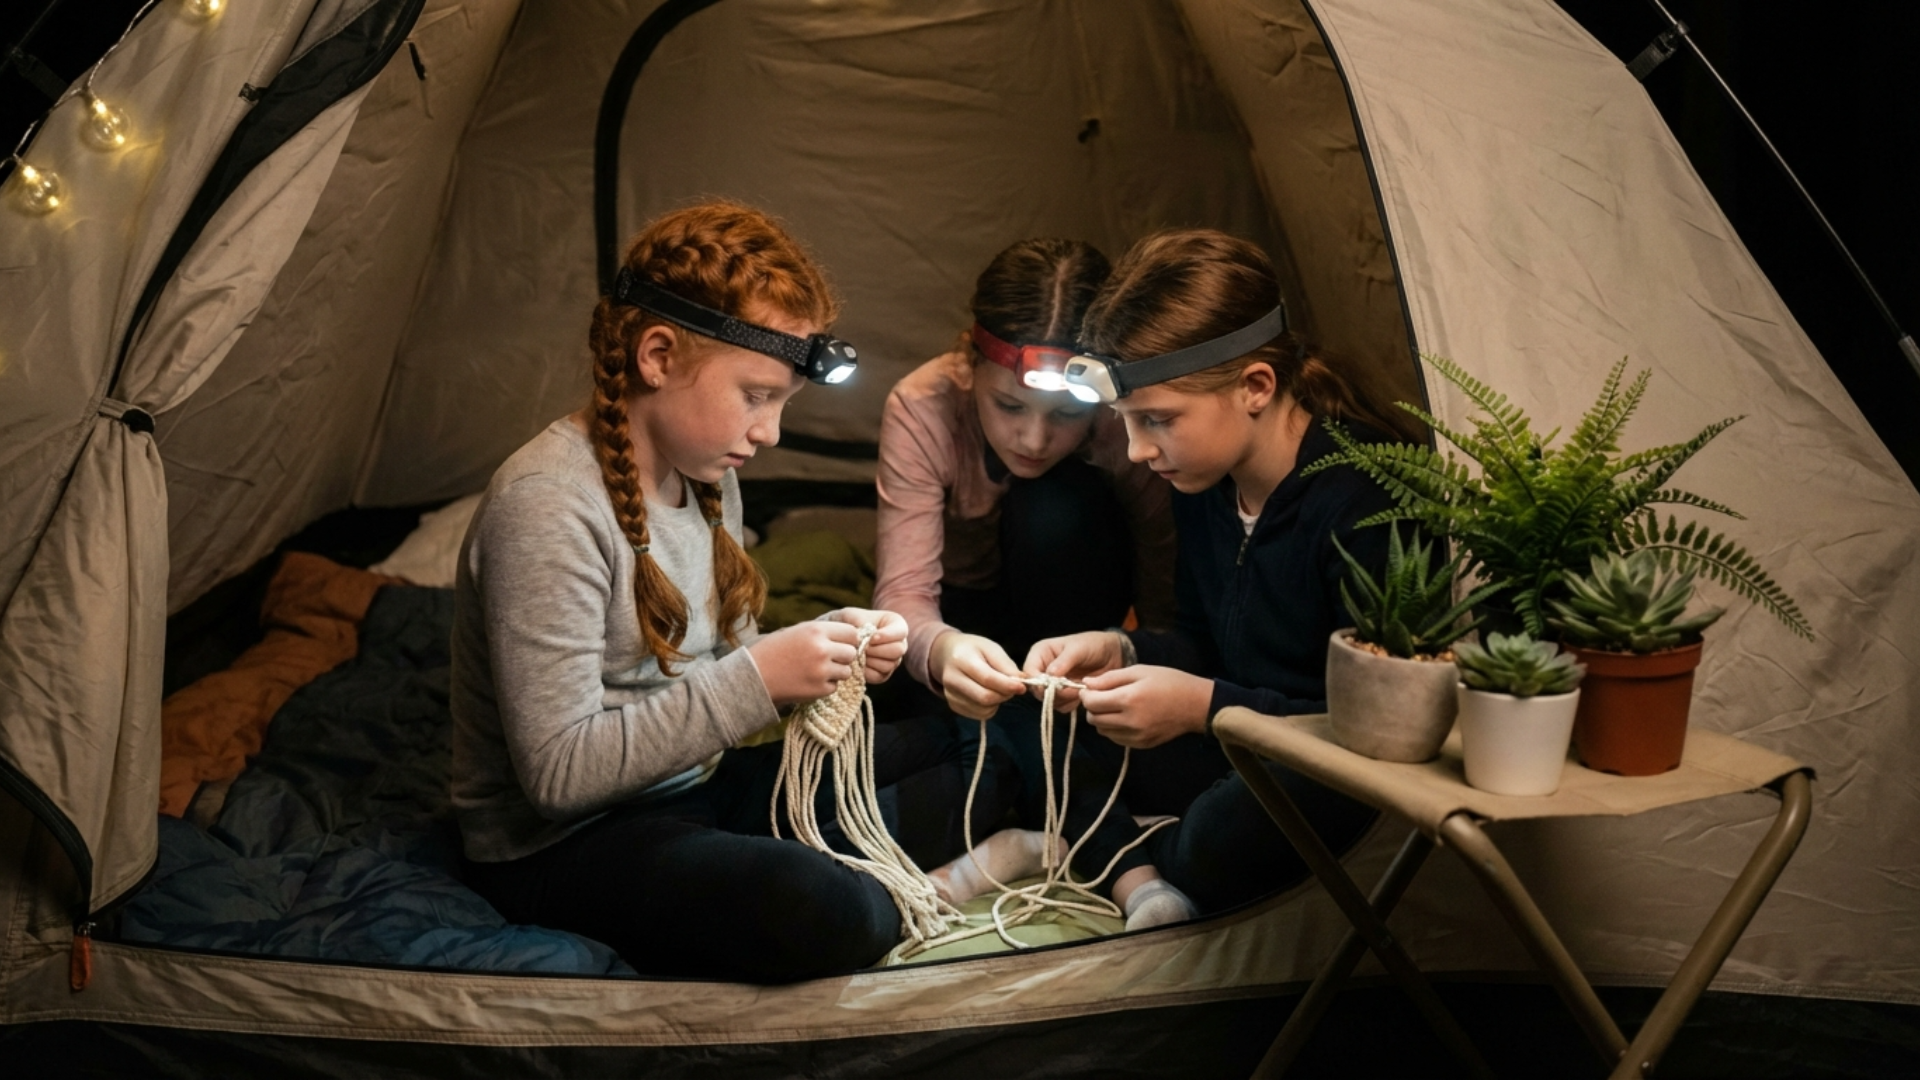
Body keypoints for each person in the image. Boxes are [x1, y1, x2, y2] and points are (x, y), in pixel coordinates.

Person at [450, 201, 995, 983]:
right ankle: (897, 884)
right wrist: (761, 679)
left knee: (967, 749)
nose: (769, 431)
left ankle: (860, 863)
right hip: (566, 846)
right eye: (756, 396)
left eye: (782, 403)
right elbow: (558, 777)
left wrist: (827, 651)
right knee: (827, 912)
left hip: (691, 790)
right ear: (658, 356)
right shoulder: (547, 506)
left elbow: (715, 666)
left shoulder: (706, 476)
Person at [1012, 228, 1404, 924]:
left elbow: (1378, 728)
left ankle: (1112, 852)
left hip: (1322, 763)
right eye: (1126, 422)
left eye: (1157, 420)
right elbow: (1198, 639)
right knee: (1041, 709)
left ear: (1255, 386)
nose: (1137, 450)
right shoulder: (1205, 484)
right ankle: (1142, 882)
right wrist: (1121, 650)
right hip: (1230, 742)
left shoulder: (1364, 498)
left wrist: (1205, 707)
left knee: (1220, 836)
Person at [870, 238, 1178, 909]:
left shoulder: (1124, 419)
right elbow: (903, 596)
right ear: (969, 360)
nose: (1034, 440)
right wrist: (943, 650)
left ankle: (1080, 836)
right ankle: (1102, 858)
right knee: (936, 730)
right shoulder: (924, 404)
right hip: (960, 614)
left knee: (1052, 503)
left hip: (1076, 612)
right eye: (1009, 406)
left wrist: (1148, 657)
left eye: (1066, 414)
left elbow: (1163, 568)